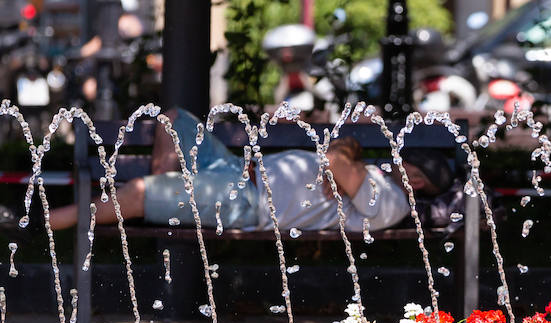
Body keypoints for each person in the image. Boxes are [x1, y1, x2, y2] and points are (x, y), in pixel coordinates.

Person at [46, 108, 454, 233]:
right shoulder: (377, 181)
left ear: (417, 180)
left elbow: (335, 159)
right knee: (175, 120)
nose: (396, 160)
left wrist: (342, 161)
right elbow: (342, 151)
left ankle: (42, 223)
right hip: (236, 172)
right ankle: (168, 199)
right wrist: (346, 156)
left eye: (407, 161)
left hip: (245, 201)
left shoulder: (391, 202)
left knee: (134, 192)